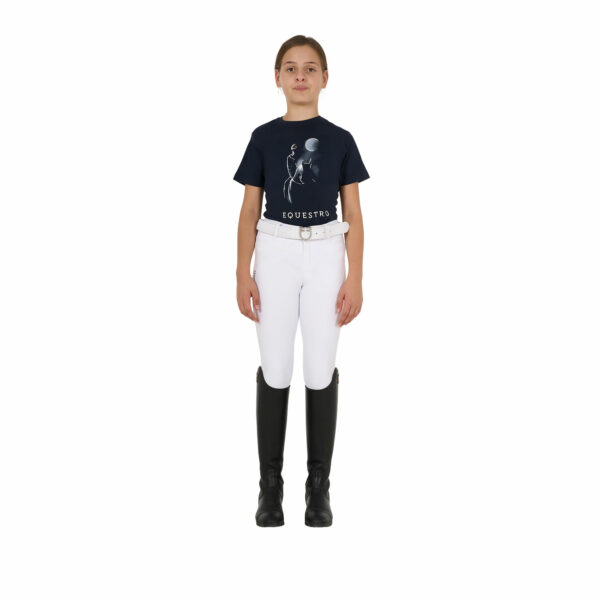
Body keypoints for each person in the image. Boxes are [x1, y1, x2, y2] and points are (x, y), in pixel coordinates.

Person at [233, 35, 369, 527]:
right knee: (275, 366)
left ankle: (319, 489)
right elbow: (250, 208)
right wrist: (242, 270)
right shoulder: (263, 137)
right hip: (275, 252)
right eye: (290, 68)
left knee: (319, 366)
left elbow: (353, 212)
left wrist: (355, 277)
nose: (300, 76)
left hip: (327, 252)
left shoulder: (341, 139)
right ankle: (270, 488)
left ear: (325, 78)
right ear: (277, 78)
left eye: (310, 68)